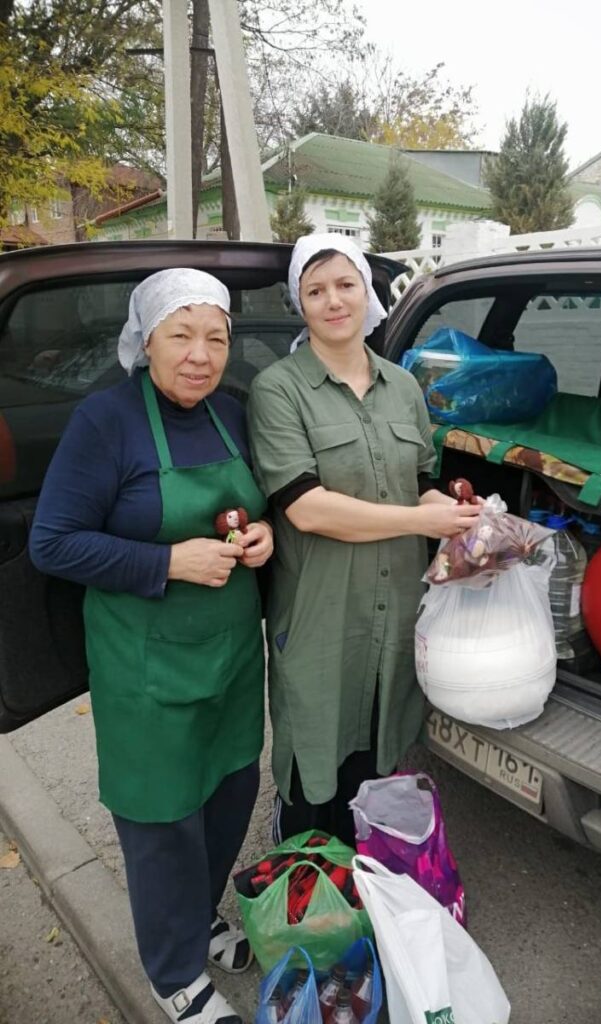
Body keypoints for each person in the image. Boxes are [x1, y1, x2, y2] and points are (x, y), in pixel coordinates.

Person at [30, 269, 273, 1024]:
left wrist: (262, 535)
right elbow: (52, 543)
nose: (201, 355)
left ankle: (195, 915)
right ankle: (173, 971)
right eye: (182, 335)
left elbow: (250, 509)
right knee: (162, 818)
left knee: (229, 794)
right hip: (145, 663)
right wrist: (167, 562)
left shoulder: (232, 413)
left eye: (216, 338)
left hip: (231, 654)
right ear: (146, 340)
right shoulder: (105, 421)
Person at [248, 233, 481, 848]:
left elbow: (421, 484)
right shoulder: (278, 389)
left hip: (395, 608)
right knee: (312, 772)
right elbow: (307, 509)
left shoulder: (402, 387)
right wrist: (421, 523)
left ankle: (362, 888)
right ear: (300, 303)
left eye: (345, 285)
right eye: (315, 290)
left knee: (375, 767)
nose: (333, 301)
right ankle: (303, 886)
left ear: (367, 294)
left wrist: (459, 515)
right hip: (323, 615)